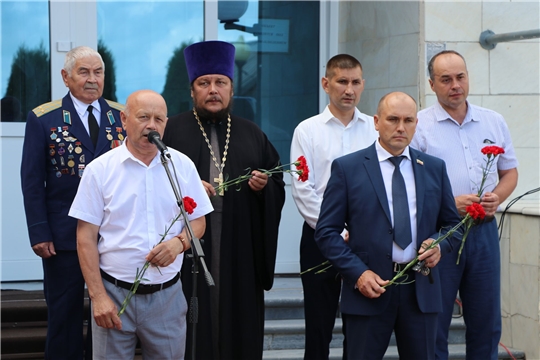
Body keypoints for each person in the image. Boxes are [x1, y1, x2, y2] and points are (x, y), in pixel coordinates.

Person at [162, 40, 286, 360]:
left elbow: (277, 182)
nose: (213, 90)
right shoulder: (171, 132)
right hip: (186, 256)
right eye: (204, 83)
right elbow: (150, 185)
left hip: (239, 252)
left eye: (221, 82)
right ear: (192, 90)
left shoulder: (252, 133)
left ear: (231, 88)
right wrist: (186, 192)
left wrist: (264, 187)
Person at [315, 92, 462, 359]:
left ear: (416, 124)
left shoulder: (433, 168)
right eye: (393, 119)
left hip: (420, 291)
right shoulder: (348, 168)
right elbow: (326, 232)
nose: (400, 127)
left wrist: (439, 244)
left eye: (408, 120)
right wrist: (358, 273)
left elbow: (453, 224)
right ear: (376, 121)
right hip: (368, 290)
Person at [69, 89, 213, 359]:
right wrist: (98, 297)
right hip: (113, 293)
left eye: (158, 119)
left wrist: (178, 243)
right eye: (143, 117)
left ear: (165, 124)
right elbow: (85, 238)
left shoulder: (180, 166)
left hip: (166, 297)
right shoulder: (100, 170)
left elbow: (198, 222)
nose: (151, 126)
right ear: (124, 120)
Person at [411, 50, 519, 360]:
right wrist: (447, 203)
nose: (455, 85)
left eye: (460, 77)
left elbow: (509, 171)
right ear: (432, 84)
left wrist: (498, 195)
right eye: (446, 79)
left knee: (486, 321)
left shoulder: (493, 121)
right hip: (441, 234)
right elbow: (410, 183)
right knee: (435, 322)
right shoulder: (420, 126)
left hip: (484, 232)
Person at [20, 46, 125, 360]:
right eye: (84, 72)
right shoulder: (43, 118)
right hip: (63, 237)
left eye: (98, 72)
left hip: (113, 237)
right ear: (66, 77)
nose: (92, 79)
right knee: (63, 317)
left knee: (108, 316)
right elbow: (32, 181)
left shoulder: (122, 117)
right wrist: (39, 232)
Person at [290, 54, 378, 360]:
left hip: (366, 238)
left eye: (355, 82)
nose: (349, 89)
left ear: (363, 85)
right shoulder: (307, 130)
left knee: (360, 324)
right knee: (319, 323)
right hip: (320, 237)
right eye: (342, 81)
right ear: (326, 84)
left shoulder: (374, 128)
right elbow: (303, 188)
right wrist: (335, 232)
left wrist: (361, 231)